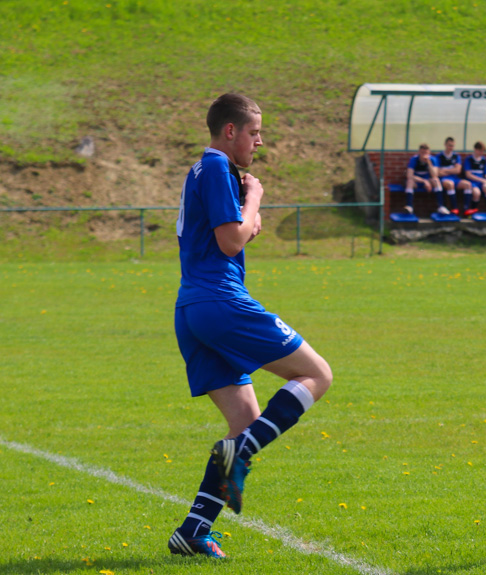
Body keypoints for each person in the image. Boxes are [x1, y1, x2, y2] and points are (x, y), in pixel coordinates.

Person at [169, 93, 333, 558]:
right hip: (221, 301)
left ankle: (193, 530)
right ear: (230, 132)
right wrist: (256, 199)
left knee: (243, 421)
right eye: (255, 132)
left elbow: (235, 232)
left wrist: (248, 218)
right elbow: (230, 239)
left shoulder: (199, 170)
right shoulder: (219, 168)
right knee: (317, 375)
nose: (259, 141)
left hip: (191, 308)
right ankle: (238, 455)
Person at [405, 143, 449, 216]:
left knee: (436, 180)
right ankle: (409, 206)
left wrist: (429, 163)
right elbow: (409, 175)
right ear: (419, 152)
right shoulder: (414, 159)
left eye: (426, 153)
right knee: (409, 182)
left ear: (429, 153)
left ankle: (441, 206)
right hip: (417, 181)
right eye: (422, 152)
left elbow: (435, 175)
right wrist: (424, 181)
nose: (424, 155)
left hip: (428, 181)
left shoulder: (432, 160)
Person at [461, 141, 486, 216]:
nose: (482, 152)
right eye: (480, 150)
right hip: (472, 182)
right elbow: (468, 175)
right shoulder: (469, 159)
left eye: (483, 151)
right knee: (477, 193)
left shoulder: (483, 160)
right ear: (475, 149)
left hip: (481, 182)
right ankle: (472, 212)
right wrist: (482, 180)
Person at [435, 137, 467, 215]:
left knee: (468, 185)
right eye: (449, 145)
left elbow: (458, 171)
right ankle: (454, 208)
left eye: (452, 146)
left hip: (455, 178)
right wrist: (452, 170)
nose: (451, 147)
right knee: (450, 184)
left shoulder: (456, 156)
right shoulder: (439, 156)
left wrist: (445, 171)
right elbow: (437, 172)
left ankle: (467, 210)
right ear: (445, 145)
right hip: (444, 179)